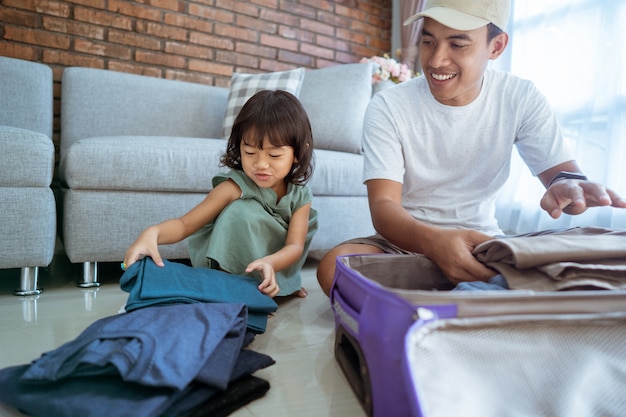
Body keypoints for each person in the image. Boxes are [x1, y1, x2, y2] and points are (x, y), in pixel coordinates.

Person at [316, 0, 626, 296]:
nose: (436, 60)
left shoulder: (520, 97)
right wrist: (436, 244)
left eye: (457, 44)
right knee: (335, 268)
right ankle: (478, 297)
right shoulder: (388, 105)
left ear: (496, 46)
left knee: (588, 259)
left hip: (483, 243)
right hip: (403, 243)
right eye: (428, 42)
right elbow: (384, 208)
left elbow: (564, 176)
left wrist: (568, 185)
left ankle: (448, 297)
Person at [124, 90, 318, 298]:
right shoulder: (233, 187)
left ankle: (278, 283)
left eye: (274, 155)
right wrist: (152, 233)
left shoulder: (300, 196)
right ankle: (233, 287)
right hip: (233, 270)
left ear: (298, 153)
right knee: (242, 212)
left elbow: (295, 246)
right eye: (249, 152)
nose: (260, 164)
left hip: (273, 262)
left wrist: (271, 263)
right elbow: (185, 224)